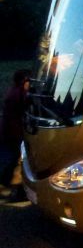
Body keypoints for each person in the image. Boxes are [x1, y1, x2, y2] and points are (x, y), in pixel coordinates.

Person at [0, 69, 30, 202]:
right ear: (23, 81)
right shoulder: (19, 94)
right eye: (28, 81)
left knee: (12, 160)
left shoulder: (14, 91)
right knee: (16, 160)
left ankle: (11, 187)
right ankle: (15, 190)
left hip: (10, 132)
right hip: (14, 133)